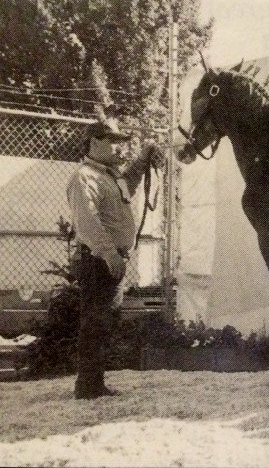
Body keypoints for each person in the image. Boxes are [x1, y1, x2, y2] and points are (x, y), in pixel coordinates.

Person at [67, 117, 161, 399]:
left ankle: (94, 383)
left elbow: (128, 186)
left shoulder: (108, 175)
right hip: (98, 261)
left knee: (104, 321)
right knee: (96, 322)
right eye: (113, 142)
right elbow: (87, 222)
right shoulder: (84, 177)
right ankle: (88, 386)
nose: (119, 149)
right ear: (94, 142)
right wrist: (109, 253)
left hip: (111, 260)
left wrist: (143, 159)